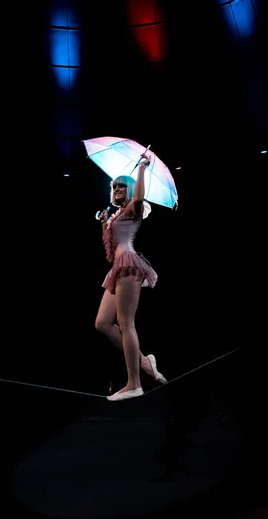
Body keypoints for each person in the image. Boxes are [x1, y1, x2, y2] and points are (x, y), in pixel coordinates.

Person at [95, 152, 167, 401]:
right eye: (114, 185)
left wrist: (141, 168)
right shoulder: (116, 215)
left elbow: (138, 197)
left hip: (129, 265)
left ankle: (135, 383)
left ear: (130, 189)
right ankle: (146, 363)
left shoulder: (135, 208)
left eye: (122, 185)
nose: (116, 188)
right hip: (117, 266)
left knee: (126, 324)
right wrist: (105, 224)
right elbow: (110, 253)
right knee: (103, 323)